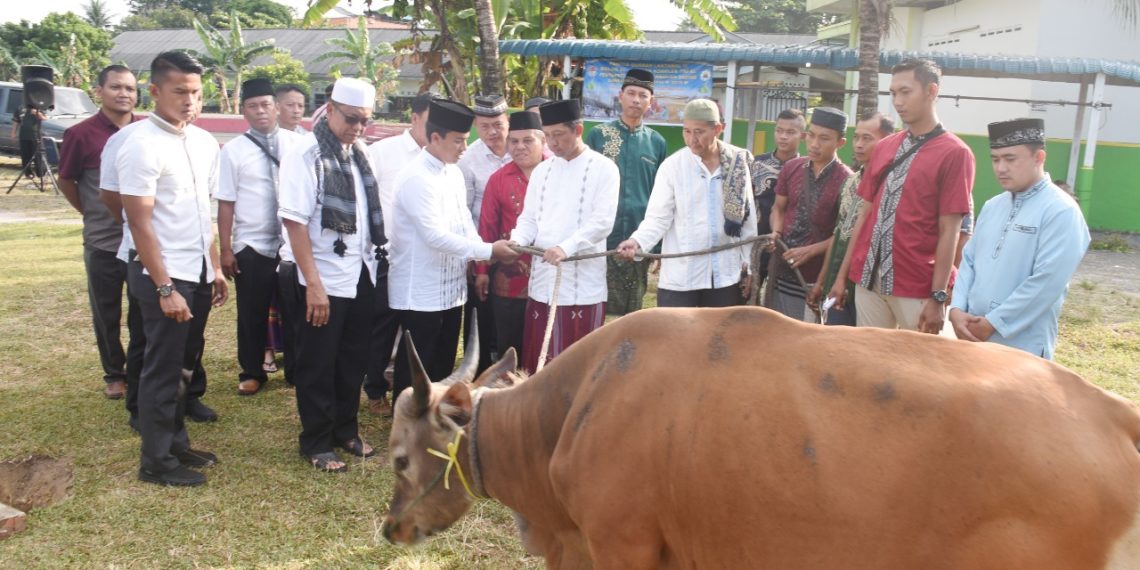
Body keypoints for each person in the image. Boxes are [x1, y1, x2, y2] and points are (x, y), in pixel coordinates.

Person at [118, 51, 225, 486]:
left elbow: (206, 216)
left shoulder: (201, 142)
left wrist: (214, 269)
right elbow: (138, 222)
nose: (190, 101)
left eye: (196, 93)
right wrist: (165, 288)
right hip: (162, 275)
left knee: (184, 364)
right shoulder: (141, 144)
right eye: (180, 92)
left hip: (196, 270)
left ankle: (175, 443)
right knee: (161, 369)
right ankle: (155, 462)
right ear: (155, 91)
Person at [278, 78, 385, 473]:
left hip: (360, 272)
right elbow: (295, 223)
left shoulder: (359, 154)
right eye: (352, 118)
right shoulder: (305, 154)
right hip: (321, 277)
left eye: (366, 120)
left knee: (353, 360)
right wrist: (315, 286)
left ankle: (346, 429)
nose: (358, 127)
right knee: (317, 363)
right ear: (331, 109)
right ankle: (317, 441)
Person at [388, 99, 519, 406]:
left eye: (465, 140)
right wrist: (488, 249)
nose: (464, 147)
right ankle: (406, 416)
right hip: (420, 291)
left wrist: (485, 252)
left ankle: (435, 416)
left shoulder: (452, 173)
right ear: (435, 138)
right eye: (458, 140)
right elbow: (434, 237)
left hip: (451, 288)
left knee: (444, 359)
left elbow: (463, 226)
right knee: (417, 364)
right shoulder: (416, 177)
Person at [835, 59, 975, 335]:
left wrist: (938, 297)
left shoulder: (955, 153)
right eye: (893, 93)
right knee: (872, 366)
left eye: (905, 91)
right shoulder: (885, 147)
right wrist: (842, 277)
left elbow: (951, 230)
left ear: (931, 91)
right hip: (867, 279)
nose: (897, 101)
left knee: (922, 370)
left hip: (916, 285)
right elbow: (865, 213)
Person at [950, 118, 1090, 359]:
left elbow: (1047, 283)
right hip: (972, 337)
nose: (1001, 168)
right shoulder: (993, 206)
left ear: (1039, 158)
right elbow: (969, 261)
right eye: (995, 159)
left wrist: (994, 323)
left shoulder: (1061, 211)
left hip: (1022, 349)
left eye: (1010, 159)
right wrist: (956, 309)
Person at [511, 99, 619, 373]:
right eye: (547, 136)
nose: (553, 143)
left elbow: (603, 222)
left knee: (579, 364)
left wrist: (566, 247)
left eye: (559, 135)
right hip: (543, 282)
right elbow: (529, 217)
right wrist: (518, 240)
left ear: (579, 129)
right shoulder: (543, 171)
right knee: (540, 358)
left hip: (583, 284)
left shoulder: (604, 168)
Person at [617, 99, 756, 308]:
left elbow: (747, 221)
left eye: (699, 132)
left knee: (719, 339)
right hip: (682, 276)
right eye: (687, 131)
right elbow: (658, 218)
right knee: (675, 339)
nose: (692, 139)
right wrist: (637, 242)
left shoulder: (738, 163)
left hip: (726, 275)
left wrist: (750, 267)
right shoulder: (672, 167)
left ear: (718, 128)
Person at [217, 78, 304, 396]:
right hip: (251, 244)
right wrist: (226, 249)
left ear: (277, 108)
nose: (260, 111)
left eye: (266, 104)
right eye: (252, 106)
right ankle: (252, 371)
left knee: (296, 310)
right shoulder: (233, 152)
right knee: (251, 311)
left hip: (292, 244)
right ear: (244, 111)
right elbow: (226, 202)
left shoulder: (298, 146)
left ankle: (295, 370)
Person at [57, 64, 138, 400]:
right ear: (98, 91)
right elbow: (67, 181)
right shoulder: (81, 134)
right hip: (102, 242)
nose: (124, 94)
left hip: (139, 243)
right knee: (106, 312)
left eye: (130, 89)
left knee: (143, 312)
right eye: (116, 87)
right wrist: (92, 213)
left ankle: (139, 369)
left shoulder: (145, 132)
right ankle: (114, 373)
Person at [359, 90, 436, 415]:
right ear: (415, 118)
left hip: (426, 262)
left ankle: (408, 389)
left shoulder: (440, 157)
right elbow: (368, 203)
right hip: (389, 258)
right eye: (432, 121)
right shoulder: (383, 153)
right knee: (383, 327)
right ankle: (374, 388)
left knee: (415, 331)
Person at [585, 69, 668, 316]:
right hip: (602, 237)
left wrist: (657, 245)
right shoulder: (599, 135)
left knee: (632, 311)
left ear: (650, 102)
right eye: (631, 93)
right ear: (620, 96)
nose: (636, 100)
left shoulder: (657, 142)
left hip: (638, 237)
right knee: (597, 306)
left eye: (643, 95)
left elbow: (660, 196)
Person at [765, 108, 853, 322]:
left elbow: (845, 236)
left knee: (804, 341)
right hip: (780, 270)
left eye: (824, 138)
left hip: (815, 279)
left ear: (840, 142)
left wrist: (812, 250)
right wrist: (776, 231)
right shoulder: (792, 168)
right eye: (811, 135)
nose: (814, 144)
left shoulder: (848, 181)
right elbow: (778, 208)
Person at [809, 111, 895, 326]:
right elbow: (839, 234)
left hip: (869, 285)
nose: (858, 144)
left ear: (887, 141)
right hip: (837, 285)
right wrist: (822, 281)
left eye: (867, 138)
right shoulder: (850, 183)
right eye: (856, 137)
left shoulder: (893, 185)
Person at [475, 111, 547, 359]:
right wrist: (482, 272)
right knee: (510, 345)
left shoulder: (558, 173)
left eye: (528, 140)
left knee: (545, 343)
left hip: (551, 272)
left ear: (543, 141)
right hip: (511, 277)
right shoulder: (498, 179)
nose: (520, 147)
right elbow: (487, 227)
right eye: (514, 141)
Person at [749, 108, 806, 303]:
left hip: (787, 248)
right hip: (754, 245)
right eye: (779, 130)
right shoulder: (755, 164)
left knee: (779, 305)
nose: (783, 137)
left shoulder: (806, 170)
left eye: (790, 132)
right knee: (746, 301)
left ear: (803, 135)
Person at [14, 105, 47, 177]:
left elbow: (44, 118)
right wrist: (13, 133)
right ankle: (28, 173)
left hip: (35, 137)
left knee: (38, 155)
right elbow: (16, 121)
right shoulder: (20, 108)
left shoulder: (38, 108)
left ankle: (41, 173)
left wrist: (37, 113)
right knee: (25, 156)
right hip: (23, 136)